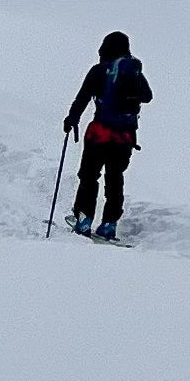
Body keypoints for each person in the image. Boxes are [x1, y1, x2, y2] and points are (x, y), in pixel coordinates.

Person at [63, 30, 153, 241]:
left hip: (99, 134)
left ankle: (84, 220)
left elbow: (82, 98)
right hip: (125, 138)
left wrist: (71, 120)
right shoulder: (133, 72)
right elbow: (148, 97)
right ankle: (109, 225)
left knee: (89, 176)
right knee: (115, 178)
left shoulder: (98, 71)